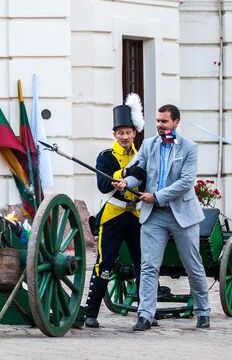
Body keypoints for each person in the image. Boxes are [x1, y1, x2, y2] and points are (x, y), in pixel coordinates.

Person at [116, 104, 211, 331]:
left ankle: (203, 311)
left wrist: (156, 196)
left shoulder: (190, 148)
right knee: (148, 266)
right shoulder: (148, 145)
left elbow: (186, 183)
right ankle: (145, 315)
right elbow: (136, 170)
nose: (159, 125)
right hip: (154, 216)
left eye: (164, 121)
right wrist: (125, 182)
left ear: (176, 122)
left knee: (193, 266)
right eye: (158, 121)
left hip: (182, 216)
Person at [83, 95, 144, 329]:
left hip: (137, 215)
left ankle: (145, 311)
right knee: (104, 263)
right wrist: (118, 178)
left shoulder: (142, 155)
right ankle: (91, 312)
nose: (125, 137)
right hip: (114, 215)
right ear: (115, 134)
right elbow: (102, 184)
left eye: (128, 132)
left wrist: (127, 177)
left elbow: (145, 177)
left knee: (143, 263)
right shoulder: (105, 157)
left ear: (134, 133)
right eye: (121, 133)